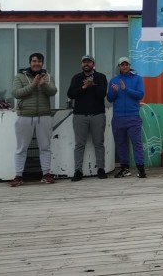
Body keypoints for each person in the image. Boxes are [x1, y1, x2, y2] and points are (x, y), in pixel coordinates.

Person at [10, 52, 58, 186]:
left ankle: (46, 174)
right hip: (24, 115)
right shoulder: (20, 76)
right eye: (34, 61)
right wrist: (33, 85)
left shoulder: (48, 76)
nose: (37, 63)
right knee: (21, 148)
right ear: (30, 62)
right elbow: (16, 93)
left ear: (42, 63)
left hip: (44, 115)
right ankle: (18, 176)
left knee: (45, 147)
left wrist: (44, 85)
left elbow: (53, 91)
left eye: (39, 61)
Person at [66, 54, 109, 181]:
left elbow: (103, 93)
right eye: (84, 62)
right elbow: (70, 94)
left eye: (89, 62)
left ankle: (101, 169)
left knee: (99, 143)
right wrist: (84, 87)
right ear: (81, 64)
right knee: (79, 144)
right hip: (80, 115)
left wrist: (93, 85)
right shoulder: (76, 78)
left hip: (98, 115)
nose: (86, 64)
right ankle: (78, 171)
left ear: (93, 64)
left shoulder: (101, 77)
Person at [106, 56, 146, 179]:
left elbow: (140, 94)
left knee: (136, 143)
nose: (124, 66)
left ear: (129, 65)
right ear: (119, 67)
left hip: (133, 117)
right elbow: (109, 98)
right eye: (122, 65)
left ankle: (141, 169)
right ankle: (125, 169)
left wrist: (126, 89)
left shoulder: (137, 78)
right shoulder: (114, 80)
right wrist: (114, 91)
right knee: (120, 144)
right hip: (118, 117)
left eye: (126, 64)